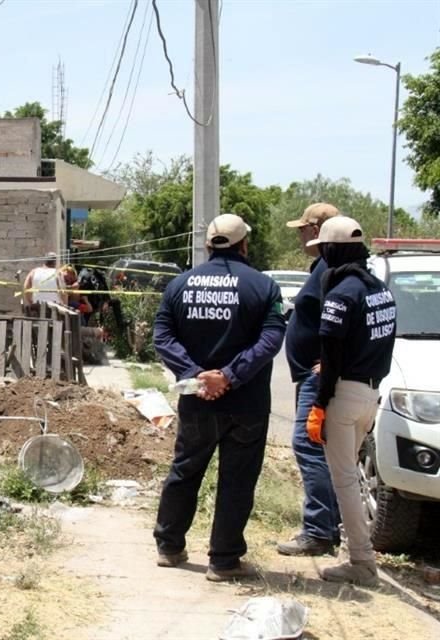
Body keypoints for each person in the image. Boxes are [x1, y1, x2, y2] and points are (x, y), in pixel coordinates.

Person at [152, 213, 286, 581]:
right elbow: (271, 339)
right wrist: (230, 375)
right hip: (247, 403)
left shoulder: (180, 285)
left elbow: (162, 337)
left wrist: (196, 375)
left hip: (197, 401)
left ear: (208, 245)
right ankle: (223, 561)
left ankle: (169, 546)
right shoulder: (264, 287)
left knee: (185, 469)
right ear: (245, 244)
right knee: (237, 479)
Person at [306, 216, 396, 587]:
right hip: (370, 394)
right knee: (353, 479)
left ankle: (360, 559)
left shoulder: (342, 294)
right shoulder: (379, 290)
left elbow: (332, 348)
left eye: (323, 250)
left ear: (332, 249)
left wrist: (320, 402)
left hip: (344, 396)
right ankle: (356, 551)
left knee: (343, 480)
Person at [277, 203, 344, 557]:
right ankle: (327, 526)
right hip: (312, 375)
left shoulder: (331, 271)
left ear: (318, 230)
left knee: (307, 445)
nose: (300, 233)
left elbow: (340, 322)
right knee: (320, 448)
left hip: (316, 377)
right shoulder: (322, 267)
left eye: (304, 228)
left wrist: (325, 363)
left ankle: (318, 531)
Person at [22, 251, 66, 316]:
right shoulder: (58, 273)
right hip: (54, 308)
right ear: (55, 262)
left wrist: (30, 301)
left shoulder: (34, 272)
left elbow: (26, 288)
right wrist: (64, 305)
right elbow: (63, 291)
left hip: (37, 307)